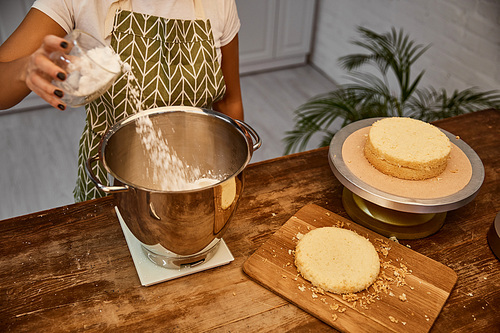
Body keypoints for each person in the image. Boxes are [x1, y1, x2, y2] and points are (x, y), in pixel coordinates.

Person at [0, 0, 244, 202]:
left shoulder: (218, 3)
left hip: (197, 181)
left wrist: (236, 177)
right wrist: (26, 68)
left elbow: (229, 102)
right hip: (111, 182)